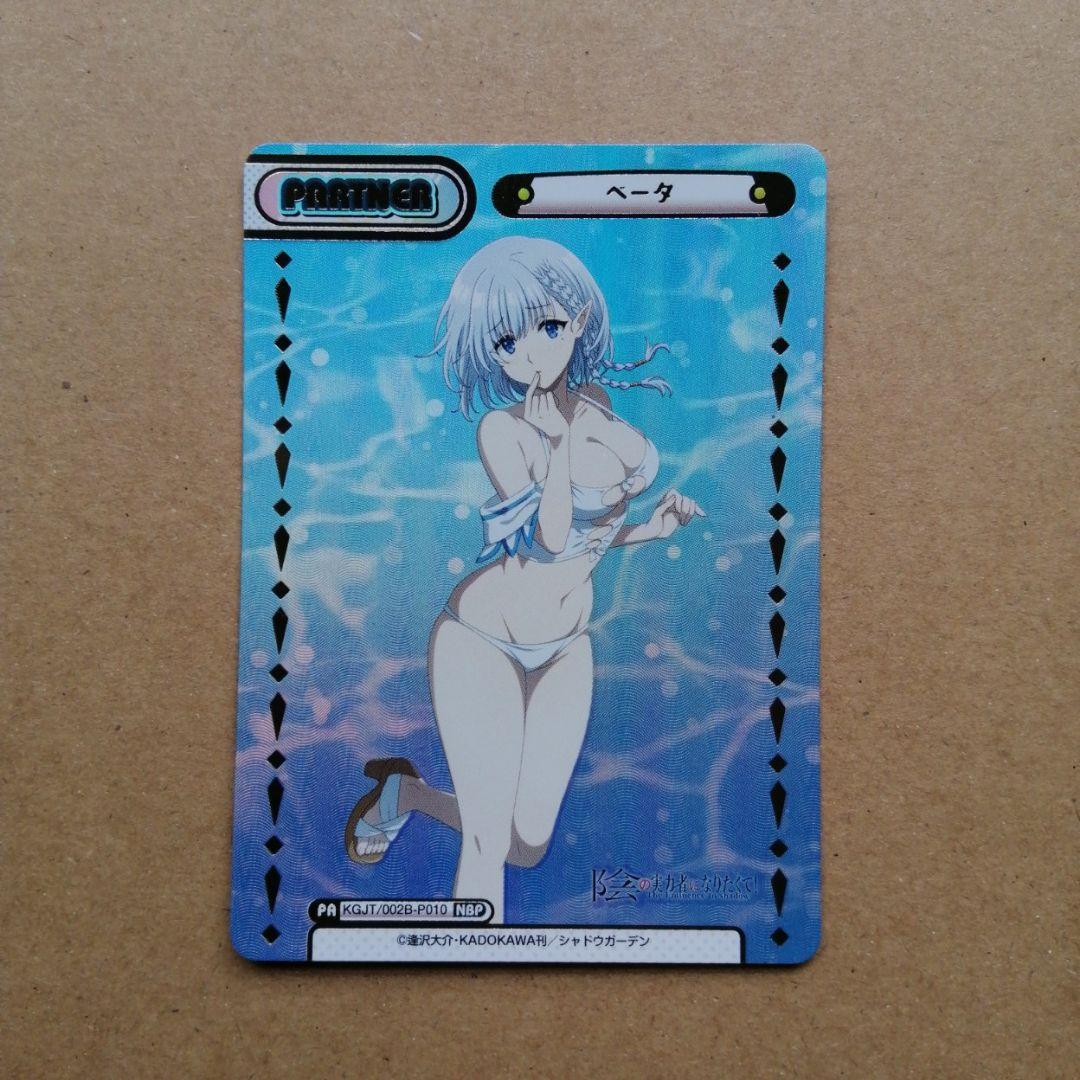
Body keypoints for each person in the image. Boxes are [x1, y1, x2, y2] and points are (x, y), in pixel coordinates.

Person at [345, 237, 704, 922]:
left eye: (547, 328)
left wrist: (650, 531)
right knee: (486, 846)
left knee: (527, 845)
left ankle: (407, 795)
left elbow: (587, 540)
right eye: (507, 343)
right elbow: (547, 539)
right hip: (483, 640)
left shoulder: (598, 400)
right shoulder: (502, 431)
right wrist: (560, 449)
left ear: (578, 320)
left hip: (567, 644)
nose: (530, 355)